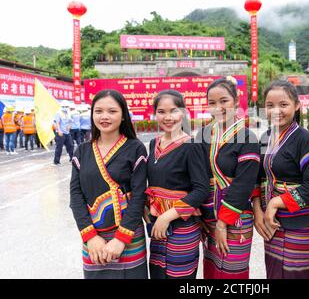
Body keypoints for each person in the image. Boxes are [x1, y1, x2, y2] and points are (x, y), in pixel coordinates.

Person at [69, 89, 148, 279]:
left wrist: (121, 239)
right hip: (93, 237)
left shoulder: (135, 148)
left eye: (112, 111)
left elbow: (139, 196)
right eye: (99, 111)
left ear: (123, 116)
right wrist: (90, 236)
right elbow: (76, 195)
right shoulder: (82, 150)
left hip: (128, 236)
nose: (105, 116)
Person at [252, 80, 309, 279]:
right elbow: (257, 179)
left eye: (283, 105)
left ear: (297, 105)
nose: (276, 110)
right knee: (274, 273)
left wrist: (276, 201)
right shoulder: (265, 138)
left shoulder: (306, 140)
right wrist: (258, 212)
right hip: (272, 225)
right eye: (270, 105)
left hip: (298, 226)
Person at [196, 76, 260, 279]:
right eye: (212, 103)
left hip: (235, 216)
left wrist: (223, 222)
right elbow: (197, 175)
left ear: (235, 100)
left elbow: (244, 183)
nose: (218, 108)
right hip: (208, 215)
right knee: (212, 268)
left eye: (224, 101)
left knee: (233, 269)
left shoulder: (248, 138)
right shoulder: (203, 134)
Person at [146, 89, 209, 279]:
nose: (168, 117)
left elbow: (201, 189)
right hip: (158, 226)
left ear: (183, 112)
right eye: (161, 112)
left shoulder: (192, 145)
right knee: (158, 273)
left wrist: (167, 217)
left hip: (182, 227)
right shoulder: (153, 144)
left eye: (173, 111)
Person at [53, 101, 74, 165]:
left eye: (66, 107)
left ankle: (72, 159)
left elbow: (71, 121)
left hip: (67, 133)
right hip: (60, 133)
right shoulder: (58, 113)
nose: (65, 108)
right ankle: (56, 161)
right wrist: (59, 131)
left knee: (71, 145)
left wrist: (69, 126)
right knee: (59, 147)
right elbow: (57, 123)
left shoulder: (69, 113)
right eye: (64, 107)